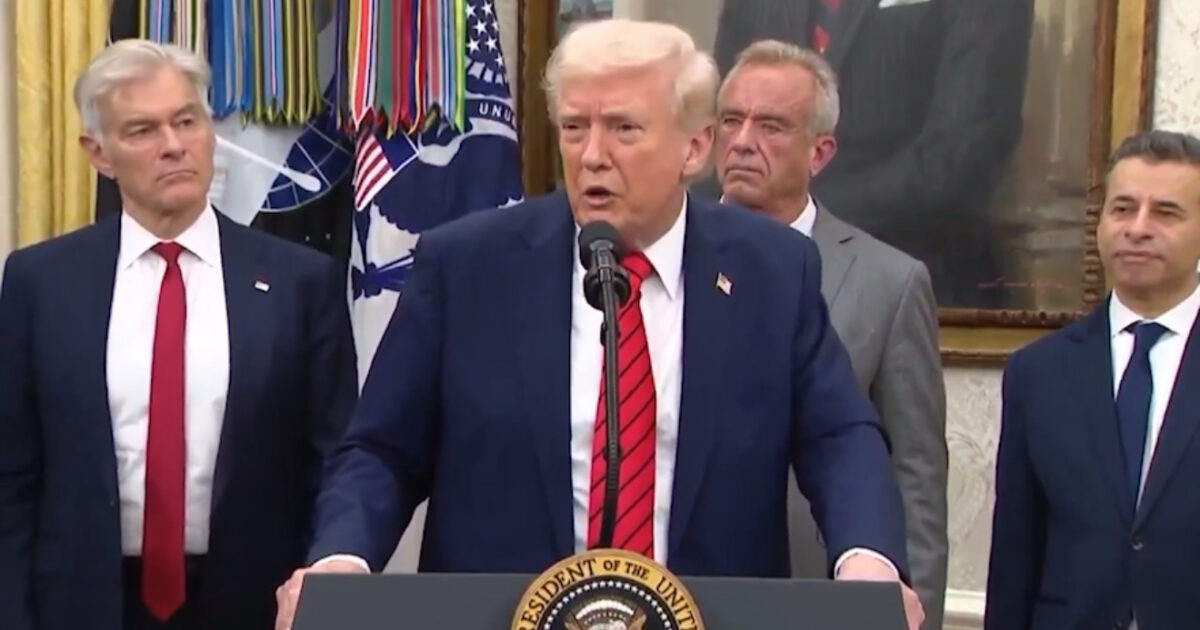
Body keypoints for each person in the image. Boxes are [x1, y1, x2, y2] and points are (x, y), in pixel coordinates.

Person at [274, 18, 923, 630]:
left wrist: (867, 558)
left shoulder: (771, 270)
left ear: (694, 146)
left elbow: (839, 438)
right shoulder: (467, 264)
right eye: (574, 127)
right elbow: (383, 450)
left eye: (623, 129)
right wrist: (341, 562)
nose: (591, 156)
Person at [0, 40, 357, 630]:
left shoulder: (300, 283)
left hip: (254, 604)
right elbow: (13, 474)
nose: (173, 146)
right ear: (99, 153)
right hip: (83, 601)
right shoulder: (41, 282)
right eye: (142, 130)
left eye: (186, 121)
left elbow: (333, 463)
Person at [713, 39, 947, 629]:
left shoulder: (889, 281)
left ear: (820, 153)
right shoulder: (656, 254)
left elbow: (915, 474)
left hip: (820, 595)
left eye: (770, 126)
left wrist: (909, 608)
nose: (742, 141)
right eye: (731, 120)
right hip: (681, 586)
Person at [985, 130, 1200, 630]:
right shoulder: (1038, 373)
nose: (1138, 228)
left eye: (1165, 213)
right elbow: (1017, 552)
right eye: (1122, 209)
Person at [710, 0, 1035, 307]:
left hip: (914, 289)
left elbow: (962, 154)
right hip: (750, 285)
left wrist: (796, 211)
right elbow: (727, 131)